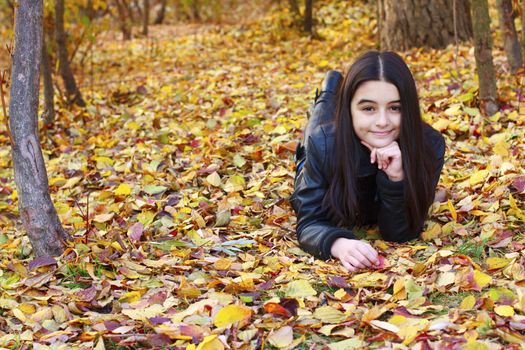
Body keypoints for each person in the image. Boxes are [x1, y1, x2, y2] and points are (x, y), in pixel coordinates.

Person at [291, 51, 445, 272]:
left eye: (395, 108)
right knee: (318, 126)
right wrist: (338, 244)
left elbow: (400, 233)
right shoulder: (324, 143)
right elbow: (309, 222)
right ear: (349, 109)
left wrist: (396, 177)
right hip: (331, 142)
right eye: (368, 108)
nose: (382, 122)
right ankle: (327, 94)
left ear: (409, 108)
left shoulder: (430, 145)